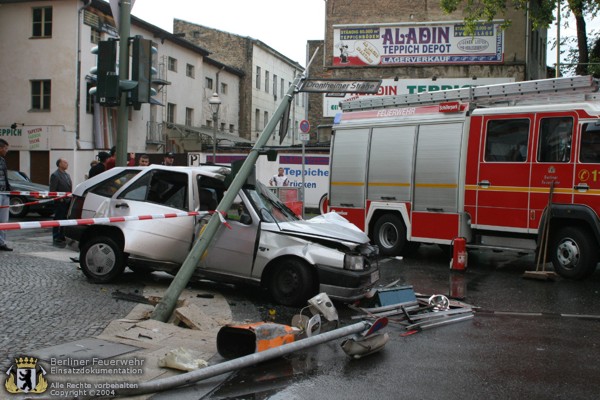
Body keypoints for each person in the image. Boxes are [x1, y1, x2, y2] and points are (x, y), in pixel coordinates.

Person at [49, 158, 72, 244]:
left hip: (67, 200)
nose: (67, 163)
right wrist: (59, 198)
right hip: (60, 201)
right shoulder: (55, 175)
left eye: (67, 162)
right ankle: (56, 236)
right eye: (64, 162)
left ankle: (62, 235)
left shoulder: (67, 175)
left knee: (64, 218)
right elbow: (53, 190)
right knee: (58, 218)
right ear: (59, 164)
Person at [0, 139, 12, 251]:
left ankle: (2, 242)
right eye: (5, 148)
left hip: (4, 193)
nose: (6, 151)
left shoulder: (3, 160)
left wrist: (9, 190)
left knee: (4, 220)